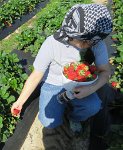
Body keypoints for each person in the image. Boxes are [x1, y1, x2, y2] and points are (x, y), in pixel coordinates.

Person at [11, 3, 114, 150]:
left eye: (89, 41)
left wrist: (90, 89)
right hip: (53, 84)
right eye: (82, 40)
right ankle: (60, 110)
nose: (84, 44)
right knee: (48, 121)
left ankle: (74, 117)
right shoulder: (52, 43)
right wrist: (20, 101)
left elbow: (105, 72)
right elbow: (36, 75)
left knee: (93, 106)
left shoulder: (97, 44)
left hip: (80, 83)